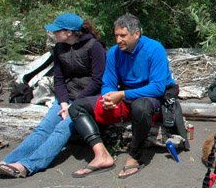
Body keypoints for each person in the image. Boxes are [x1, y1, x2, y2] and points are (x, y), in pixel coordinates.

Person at [68, 13, 176, 179]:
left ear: (136, 34)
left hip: (150, 98)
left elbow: (157, 88)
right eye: (116, 35)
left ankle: (134, 155)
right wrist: (108, 98)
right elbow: (109, 83)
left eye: (123, 36)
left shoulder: (154, 49)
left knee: (141, 106)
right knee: (77, 107)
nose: (118, 40)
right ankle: (101, 154)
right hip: (124, 97)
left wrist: (122, 94)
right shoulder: (114, 53)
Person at [0, 13, 105, 178]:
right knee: (43, 128)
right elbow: (59, 79)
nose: (53, 33)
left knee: (62, 129)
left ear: (69, 32)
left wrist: (74, 105)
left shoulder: (94, 46)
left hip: (87, 99)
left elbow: (98, 81)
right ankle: (10, 160)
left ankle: (28, 165)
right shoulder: (58, 48)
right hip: (66, 98)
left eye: (56, 30)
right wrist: (63, 103)